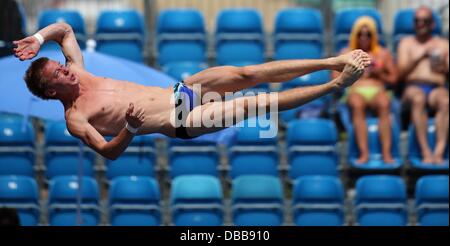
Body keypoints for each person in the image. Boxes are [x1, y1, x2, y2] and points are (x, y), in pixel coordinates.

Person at [14, 23, 370, 160]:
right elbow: (108, 152)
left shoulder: (77, 69)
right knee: (256, 104)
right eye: (59, 72)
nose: (65, 68)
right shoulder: (76, 118)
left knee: (248, 73)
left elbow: (64, 30)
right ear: (51, 90)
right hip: (179, 119)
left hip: (179, 91)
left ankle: (333, 61)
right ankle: (338, 83)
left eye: (60, 64)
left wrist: (38, 38)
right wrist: (132, 129)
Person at [334, 16, 398, 164]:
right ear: (354, 35)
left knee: (384, 103)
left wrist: (378, 72)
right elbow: (335, 77)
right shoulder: (346, 53)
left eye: (368, 34)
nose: (364, 37)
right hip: (356, 90)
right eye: (360, 34)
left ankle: (386, 153)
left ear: (373, 35)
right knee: (357, 105)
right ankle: (364, 153)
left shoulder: (382, 53)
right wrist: (354, 72)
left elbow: (394, 78)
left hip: (377, 90)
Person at [398, 6, 449, 165]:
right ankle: (425, 151)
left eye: (424, 21)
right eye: (417, 21)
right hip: (413, 87)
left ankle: (439, 151)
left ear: (432, 24)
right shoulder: (406, 43)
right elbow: (399, 74)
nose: (420, 24)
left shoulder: (443, 44)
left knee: (445, 100)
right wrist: (420, 56)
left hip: (436, 88)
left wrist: (440, 66)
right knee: (418, 98)